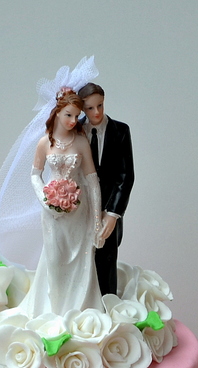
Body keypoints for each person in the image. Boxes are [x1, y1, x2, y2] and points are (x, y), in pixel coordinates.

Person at [19, 89, 104, 317]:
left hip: (79, 211)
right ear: (57, 112)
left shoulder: (81, 142)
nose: (73, 121)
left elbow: (92, 181)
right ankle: (54, 312)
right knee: (55, 259)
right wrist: (46, 200)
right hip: (52, 213)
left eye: (76, 116)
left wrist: (97, 221)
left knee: (80, 259)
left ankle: (77, 311)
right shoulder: (44, 143)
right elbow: (35, 175)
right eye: (68, 115)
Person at [78, 83, 134, 296]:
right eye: (90, 108)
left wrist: (112, 213)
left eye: (100, 105)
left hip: (108, 209)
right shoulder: (75, 130)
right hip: (80, 209)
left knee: (106, 258)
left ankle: (107, 305)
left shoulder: (120, 131)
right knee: (80, 260)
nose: (97, 112)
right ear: (82, 109)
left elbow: (125, 177)